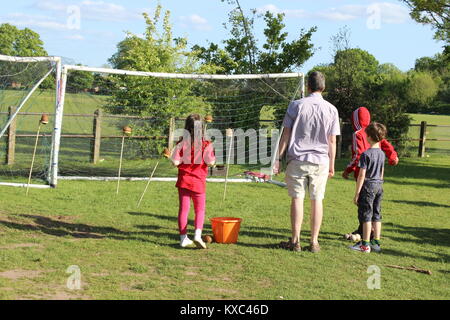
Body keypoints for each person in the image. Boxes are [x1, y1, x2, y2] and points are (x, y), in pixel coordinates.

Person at [274, 71, 340, 253]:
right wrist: (332, 165)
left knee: (297, 198)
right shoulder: (331, 109)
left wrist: (278, 158)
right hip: (320, 161)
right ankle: (314, 241)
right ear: (323, 87)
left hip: (298, 159)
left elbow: (286, 134)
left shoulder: (296, 105)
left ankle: (295, 241)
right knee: (317, 200)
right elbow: (332, 141)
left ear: (307, 86)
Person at [342, 107, 398, 238]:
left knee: (364, 206)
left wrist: (348, 170)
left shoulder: (359, 134)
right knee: (374, 207)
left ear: (354, 119)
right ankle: (370, 233)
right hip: (377, 178)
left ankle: (365, 234)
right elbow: (386, 145)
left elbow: (357, 155)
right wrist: (393, 156)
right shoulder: (374, 132)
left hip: (364, 175)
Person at [170, 114, 216, 249]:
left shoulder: (181, 143)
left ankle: (183, 238)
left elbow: (175, 162)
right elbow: (210, 162)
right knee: (199, 210)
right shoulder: (207, 144)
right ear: (202, 128)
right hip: (198, 181)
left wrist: (171, 156)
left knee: (183, 210)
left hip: (184, 180)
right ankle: (197, 234)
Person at [349, 122, 387, 253]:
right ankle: (376, 242)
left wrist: (357, 193)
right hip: (379, 185)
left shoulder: (366, 154)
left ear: (370, 137)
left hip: (368, 186)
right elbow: (382, 171)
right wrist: (380, 183)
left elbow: (361, 175)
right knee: (377, 214)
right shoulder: (382, 154)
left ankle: (364, 245)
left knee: (366, 215)